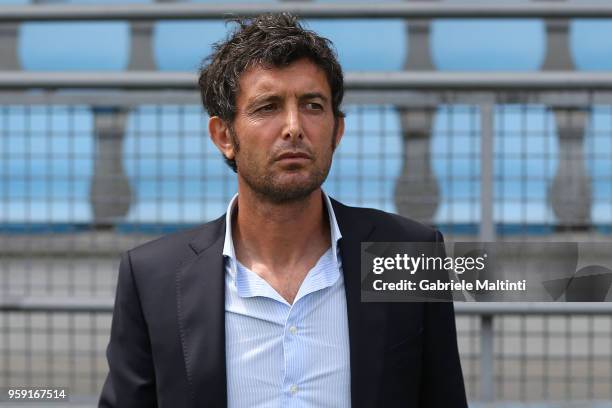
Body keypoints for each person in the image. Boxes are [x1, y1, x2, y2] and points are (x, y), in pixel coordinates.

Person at [99, 13, 467, 408]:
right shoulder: (153, 276)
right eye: (268, 107)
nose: (293, 127)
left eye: (312, 105)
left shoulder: (409, 254)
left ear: (337, 131)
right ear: (224, 135)